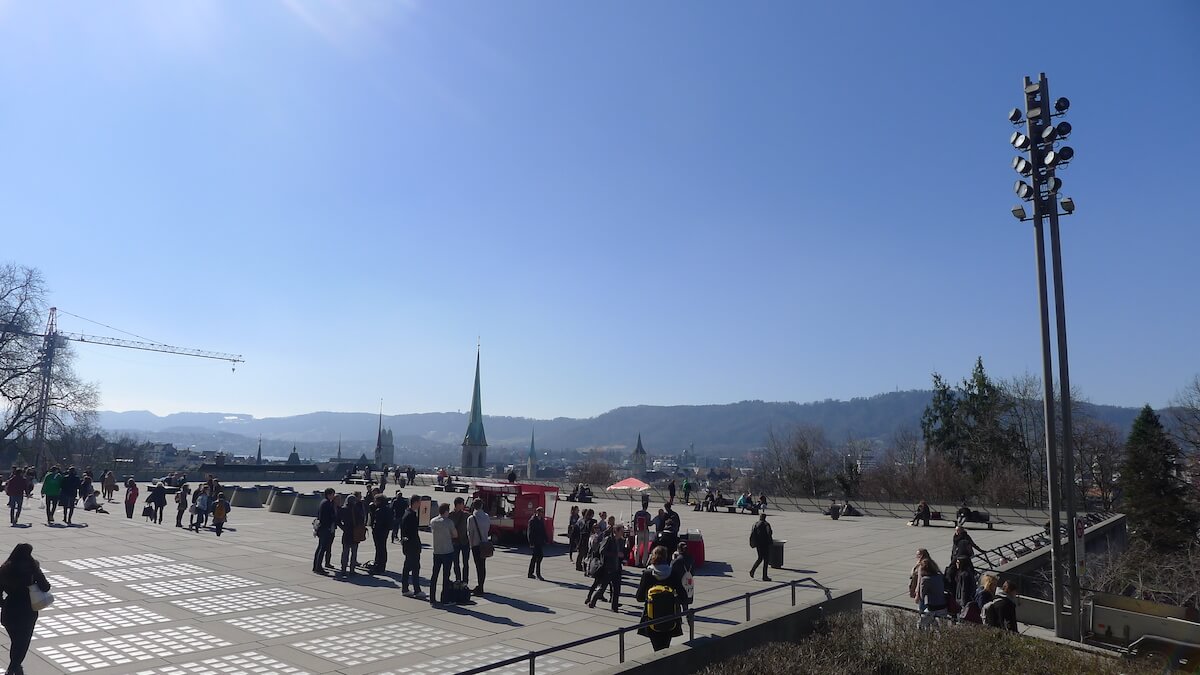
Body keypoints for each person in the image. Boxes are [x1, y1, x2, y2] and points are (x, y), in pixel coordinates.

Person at [0, 543, 51, 675]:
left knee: (16, 641)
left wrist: (3, 604)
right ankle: (13, 668)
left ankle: (15, 667)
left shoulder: (4, 569)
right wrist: (37, 572)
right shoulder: (32, 568)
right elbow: (45, 587)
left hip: (9, 610)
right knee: (22, 642)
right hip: (27, 611)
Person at [635, 545, 682, 651]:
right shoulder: (673, 573)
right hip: (670, 616)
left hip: (651, 617)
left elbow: (639, 597)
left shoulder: (647, 574)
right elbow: (682, 595)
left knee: (657, 648)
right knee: (665, 646)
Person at [428, 503, 456, 605]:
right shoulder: (449, 522)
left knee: (434, 574)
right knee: (446, 575)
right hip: (447, 551)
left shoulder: (433, 521)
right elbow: (455, 534)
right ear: (446, 511)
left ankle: (432, 597)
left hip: (437, 551)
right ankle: (445, 599)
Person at [400, 495, 424, 597]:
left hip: (408, 545)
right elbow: (412, 533)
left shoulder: (407, 513)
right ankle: (417, 590)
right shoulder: (411, 515)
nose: (420, 504)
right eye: (419, 502)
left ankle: (405, 588)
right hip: (412, 546)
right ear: (415, 502)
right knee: (415, 568)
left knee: (407, 567)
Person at [467, 498, 491, 596]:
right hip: (485, 543)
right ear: (481, 506)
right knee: (483, 566)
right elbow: (488, 529)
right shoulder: (486, 516)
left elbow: (470, 533)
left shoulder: (472, 518)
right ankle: (481, 585)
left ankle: (479, 588)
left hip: (476, 545)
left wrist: (471, 545)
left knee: (478, 566)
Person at [917, 558, 948, 629]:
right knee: (942, 628)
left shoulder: (925, 579)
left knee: (921, 624)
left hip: (932, 607)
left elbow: (922, 595)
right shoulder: (939, 576)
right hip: (942, 605)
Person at [313, 488, 338, 576]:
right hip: (325, 528)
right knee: (322, 548)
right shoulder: (327, 503)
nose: (333, 496)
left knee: (320, 547)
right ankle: (318, 567)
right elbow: (327, 517)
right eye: (333, 494)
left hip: (322, 528)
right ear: (329, 494)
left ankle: (316, 566)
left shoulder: (323, 502)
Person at [670, 541, 695, 626]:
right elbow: (693, 572)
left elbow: (671, 570)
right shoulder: (691, 558)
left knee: (677, 606)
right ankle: (690, 622)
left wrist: (673, 559)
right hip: (687, 584)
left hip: (678, 584)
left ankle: (678, 623)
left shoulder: (677, 560)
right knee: (685, 605)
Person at [337, 494, 362, 577]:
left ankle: (343, 569)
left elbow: (338, 520)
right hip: (355, 532)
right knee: (354, 553)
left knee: (345, 552)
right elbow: (361, 520)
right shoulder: (357, 509)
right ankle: (352, 569)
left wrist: (343, 527)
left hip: (347, 532)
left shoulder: (343, 509)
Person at [367, 494, 392, 574]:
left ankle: (378, 566)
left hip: (379, 531)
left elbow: (376, 522)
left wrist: (374, 529)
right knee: (383, 548)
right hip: (385, 531)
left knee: (379, 549)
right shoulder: (388, 509)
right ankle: (382, 565)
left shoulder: (379, 510)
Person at [449, 497, 470, 585]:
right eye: (462, 504)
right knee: (456, 562)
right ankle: (458, 579)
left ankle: (465, 581)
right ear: (458, 504)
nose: (463, 505)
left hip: (465, 541)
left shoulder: (466, 515)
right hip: (455, 542)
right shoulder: (450, 515)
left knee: (465, 563)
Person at [748, 512, 773, 581]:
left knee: (760, 558)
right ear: (765, 517)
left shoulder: (756, 524)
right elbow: (769, 533)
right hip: (765, 544)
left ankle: (752, 570)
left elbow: (753, 533)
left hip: (758, 544)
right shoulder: (766, 524)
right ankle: (764, 576)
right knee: (766, 560)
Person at [527, 506, 547, 580]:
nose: (542, 513)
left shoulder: (541, 520)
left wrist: (546, 539)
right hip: (535, 542)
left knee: (537, 557)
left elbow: (543, 530)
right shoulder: (532, 520)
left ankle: (531, 573)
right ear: (537, 512)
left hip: (540, 541)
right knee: (537, 557)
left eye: (543, 512)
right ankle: (536, 574)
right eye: (541, 512)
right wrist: (531, 543)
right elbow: (530, 532)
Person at [632, 500, 652, 566]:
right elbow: (649, 523)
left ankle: (636, 562)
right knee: (645, 548)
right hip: (645, 531)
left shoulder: (637, 513)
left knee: (637, 547)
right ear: (647, 507)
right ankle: (644, 563)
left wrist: (635, 530)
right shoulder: (648, 514)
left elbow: (635, 522)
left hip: (638, 531)